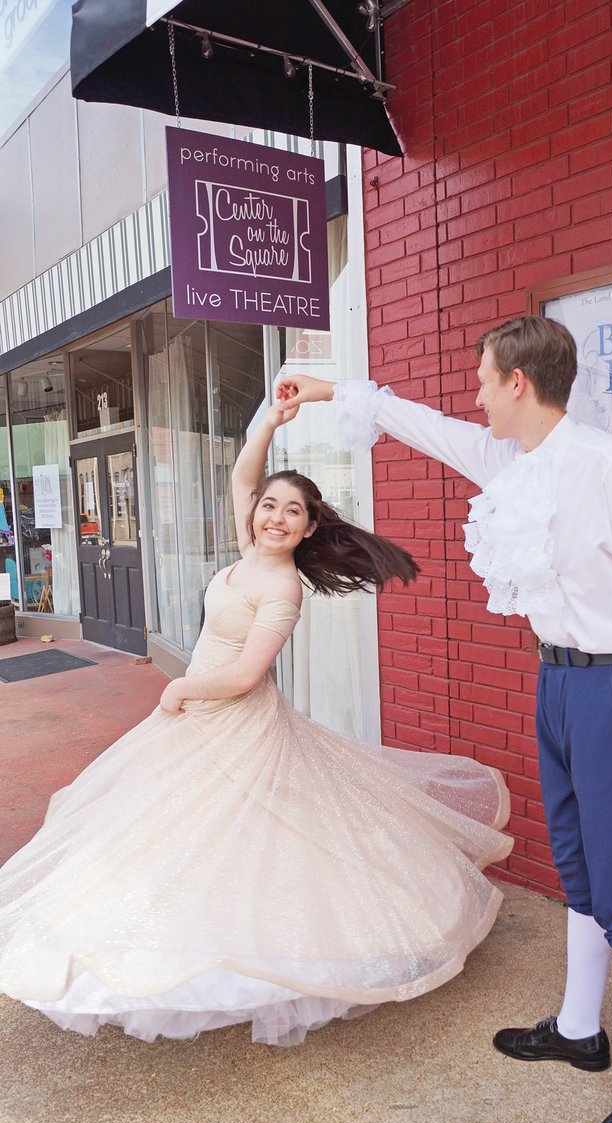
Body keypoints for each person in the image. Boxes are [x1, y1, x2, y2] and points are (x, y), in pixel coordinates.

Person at [276, 314, 612, 1123]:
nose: (477, 397)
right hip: (558, 684)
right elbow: (427, 427)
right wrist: (334, 391)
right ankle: (579, 1028)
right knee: (579, 863)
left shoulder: (610, 467)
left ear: (518, 382)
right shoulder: (513, 463)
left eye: (485, 380)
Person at [0, 402, 513, 1046]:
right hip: (197, 718)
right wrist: (270, 417)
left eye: (291, 511)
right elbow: (244, 474)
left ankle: (257, 947)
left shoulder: (283, 589)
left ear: (307, 528)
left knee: (253, 836)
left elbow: (246, 676)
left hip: (236, 718)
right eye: (270, 506)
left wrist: (182, 686)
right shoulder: (247, 548)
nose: (274, 517)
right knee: (171, 829)